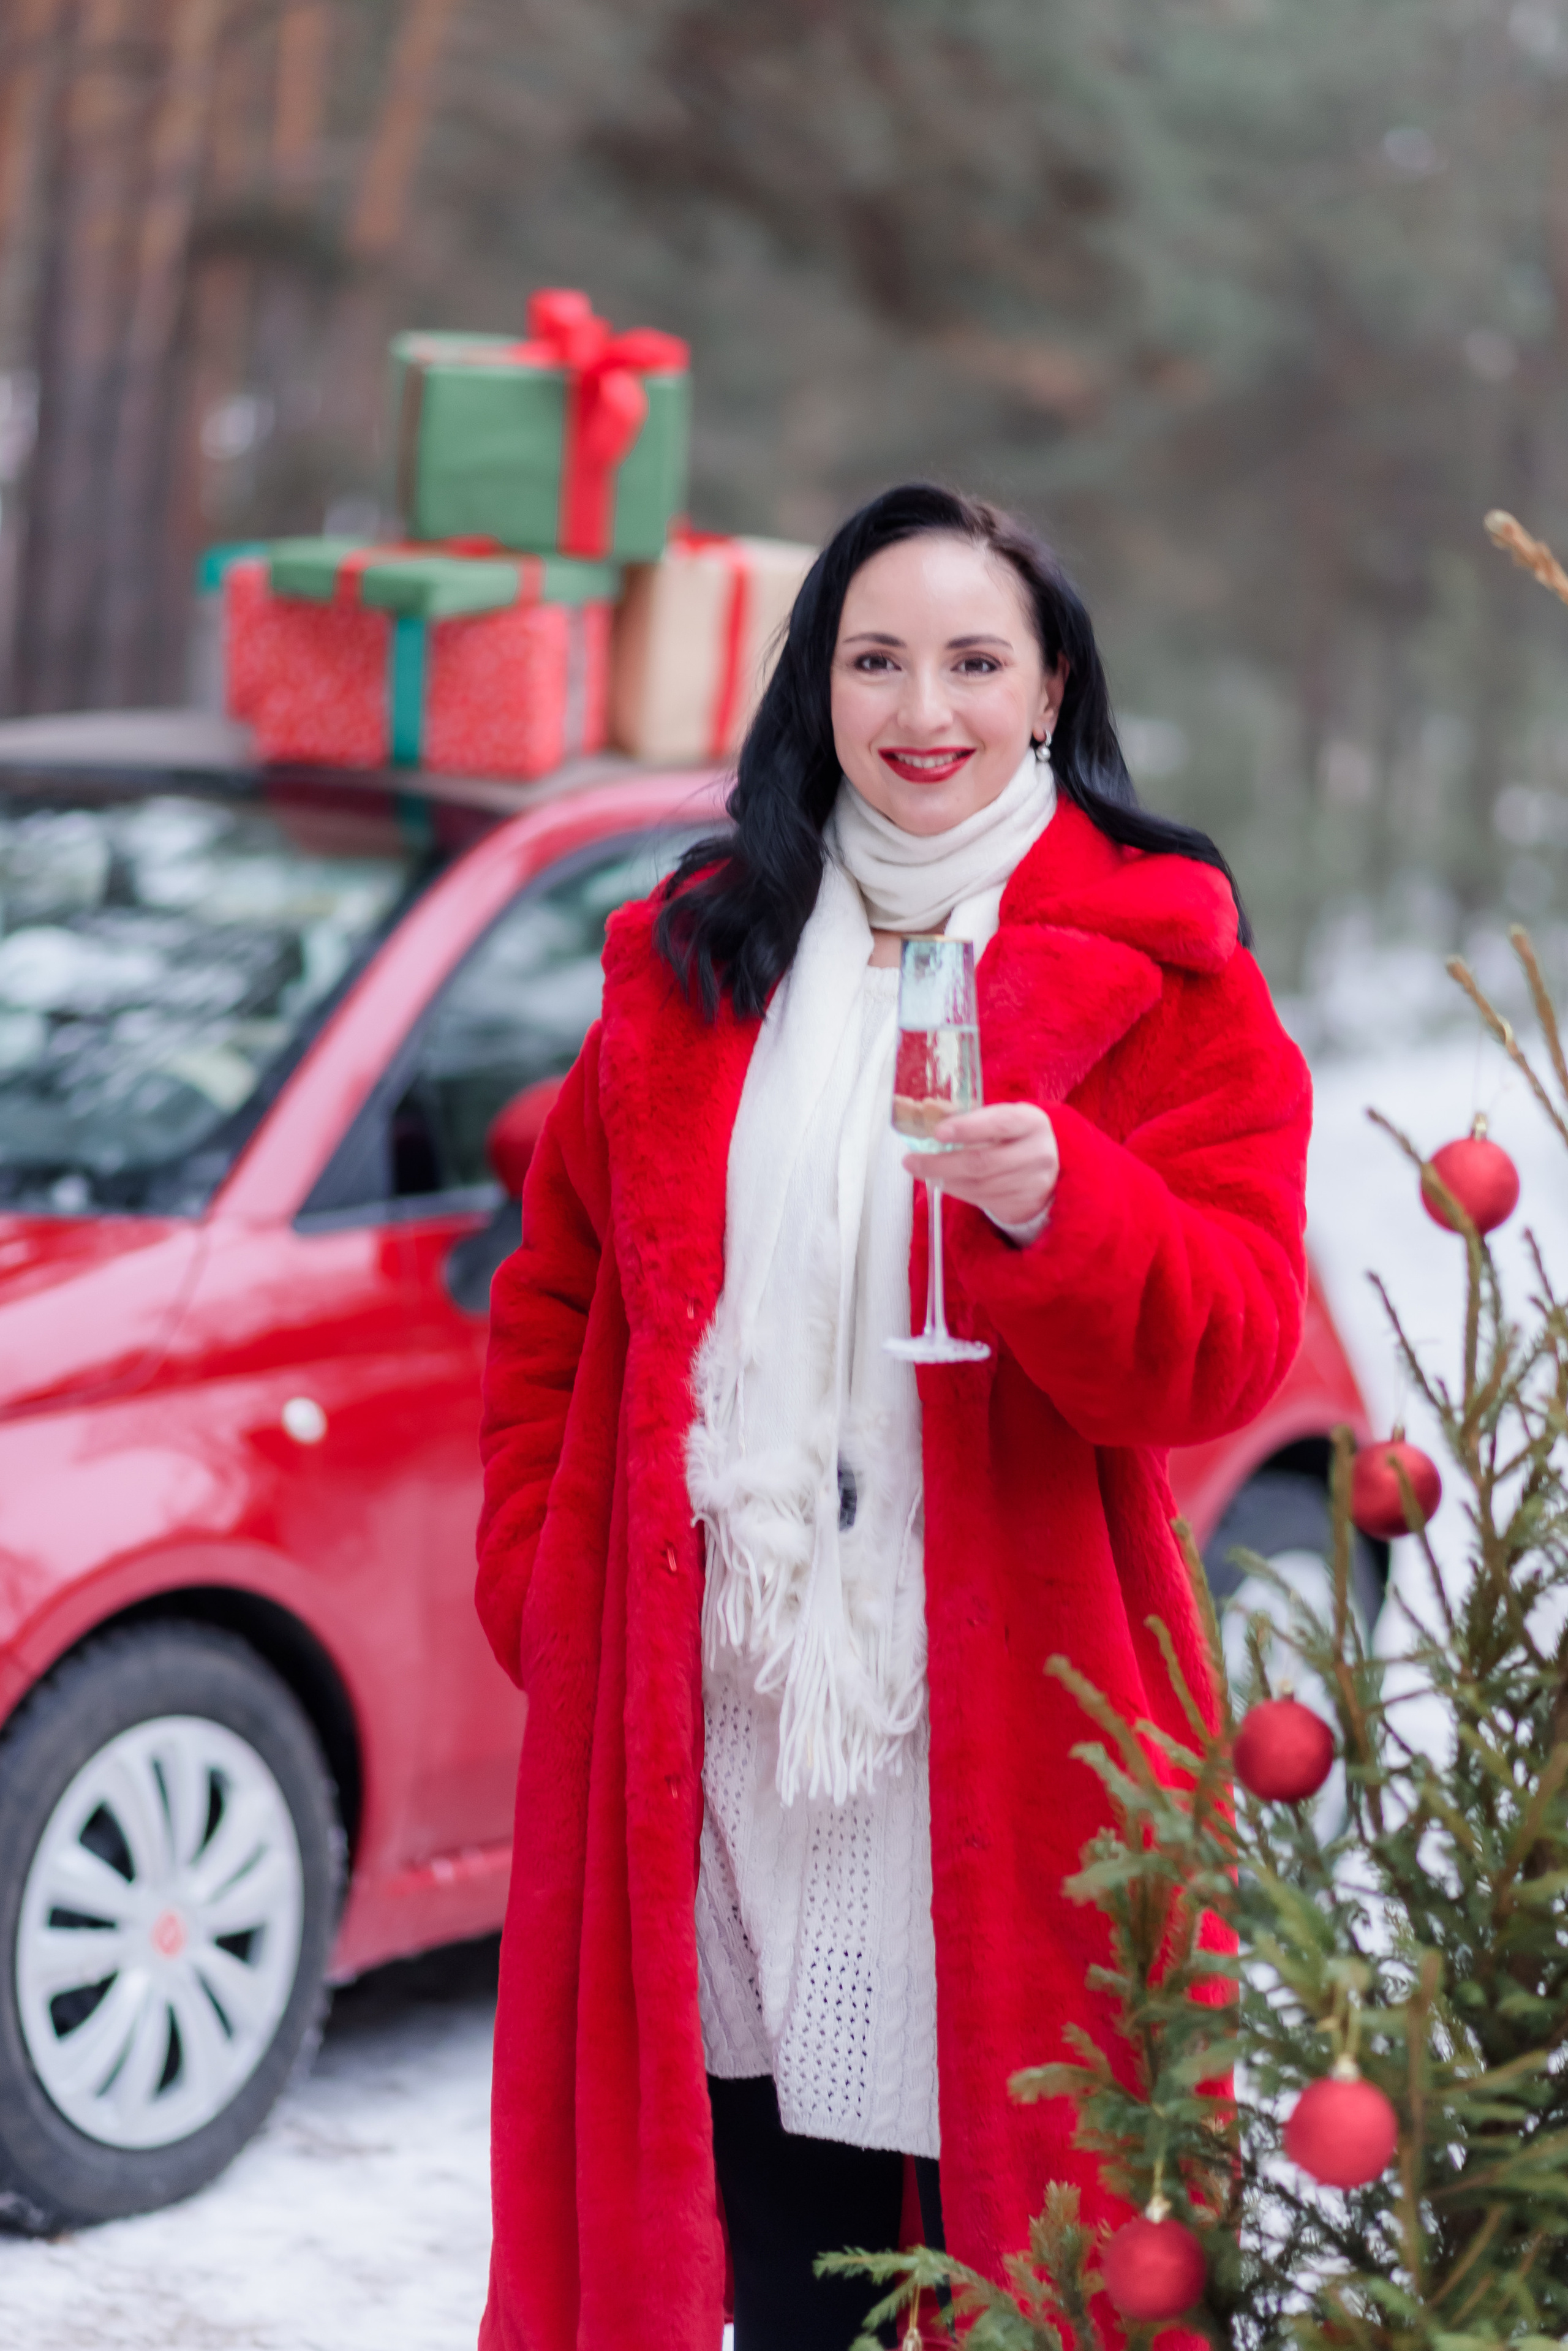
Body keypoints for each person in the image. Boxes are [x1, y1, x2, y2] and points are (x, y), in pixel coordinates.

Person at [474, 483, 1311, 2351]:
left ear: (1052, 687)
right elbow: (557, 1300)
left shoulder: (1170, 975)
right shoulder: (699, 958)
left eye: (973, 661)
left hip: (994, 1733)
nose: (922, 708)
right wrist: (547, 1582)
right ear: (820, 686)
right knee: (777, 2264)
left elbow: (1236, 1344)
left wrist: (1067, 1209)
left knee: (1018, 2262)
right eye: (875, 660)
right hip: (716, 1735)